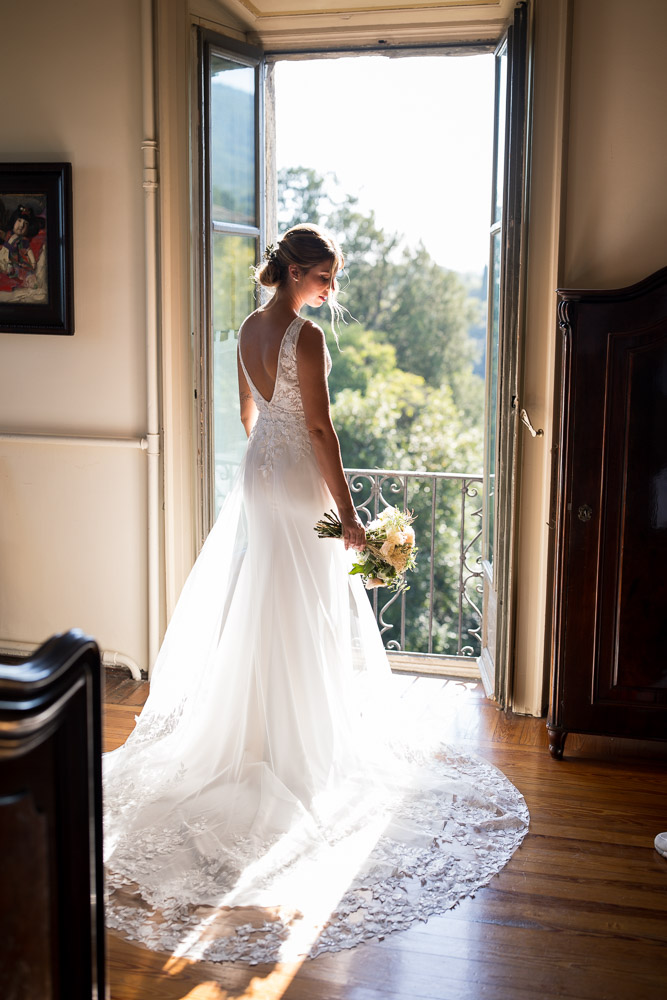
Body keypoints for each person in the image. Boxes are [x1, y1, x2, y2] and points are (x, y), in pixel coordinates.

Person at [103, 224, 529, 964]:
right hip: (298, 477)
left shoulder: (244, 328)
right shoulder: (304, 338)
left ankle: (260, 732)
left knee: (268, 594)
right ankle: (296, 746)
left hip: (260, 473)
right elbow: (323, 429)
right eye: (325, 277)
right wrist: (352, 514)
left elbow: (249, 414)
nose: (331, 290)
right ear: (298, 273)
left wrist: (268, 458)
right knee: (306, 604)